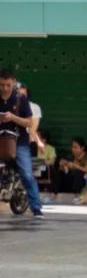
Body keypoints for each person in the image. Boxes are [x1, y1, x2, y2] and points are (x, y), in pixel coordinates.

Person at [0, 68, 44, 219]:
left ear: (13, 83)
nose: (5, 88)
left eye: (8, 85)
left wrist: (12, 118)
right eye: (2, 85)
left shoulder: (20, 98)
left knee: (27, 174)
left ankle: (36, 208)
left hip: (19, 141)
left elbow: (29, 122)